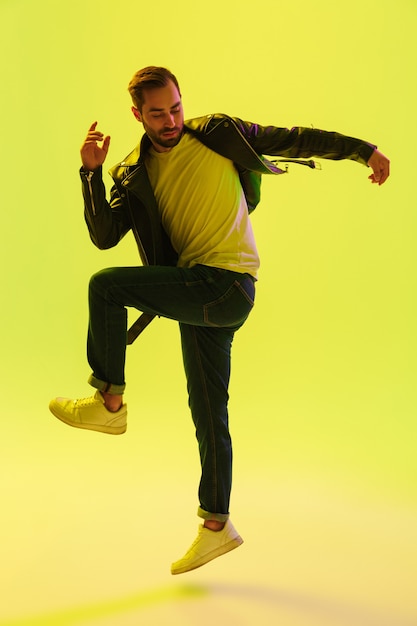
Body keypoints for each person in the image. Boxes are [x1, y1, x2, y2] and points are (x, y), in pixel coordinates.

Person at [49, 66, 390, 575]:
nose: (170, 121)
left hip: (226, 284)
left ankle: (108, 401)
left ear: (184, 102)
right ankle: (217, 525)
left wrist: (364, 150)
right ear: (138, 114)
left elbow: (293, 139)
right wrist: (89, 173)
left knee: (105, 285)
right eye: (158, 113)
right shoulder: (133, 171)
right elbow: (104, 234)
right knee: (209, 412)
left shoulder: (217, 133)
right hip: (197, 291)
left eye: (176, 108)